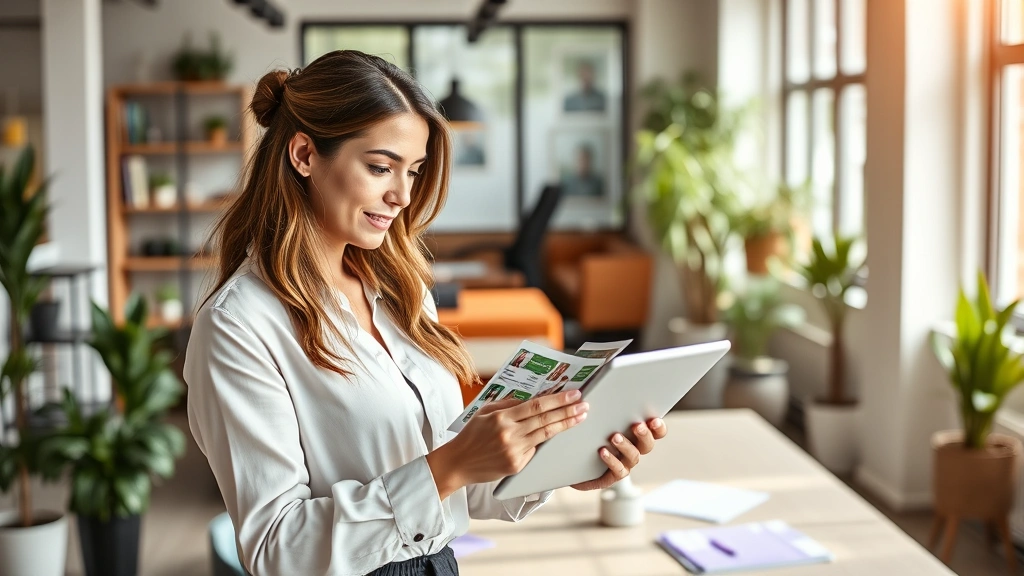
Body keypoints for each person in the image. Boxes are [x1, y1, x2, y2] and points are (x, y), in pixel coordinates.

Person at [184, 50, 668, 576]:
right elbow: (277, 548)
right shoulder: (238, 327)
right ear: (304, 155)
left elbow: (456, 489)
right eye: (379, 167)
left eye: (413, 172)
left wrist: (553, 464)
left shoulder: (402, 290)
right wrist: (449, 466)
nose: (401, 195)